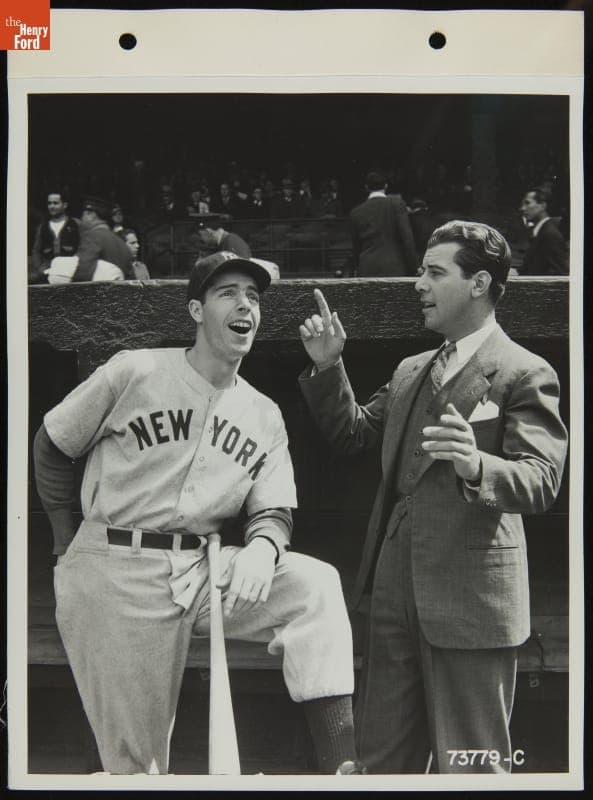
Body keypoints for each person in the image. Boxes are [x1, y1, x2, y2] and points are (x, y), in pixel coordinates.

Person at [33, 250, 363, 776]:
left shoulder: (263, 412)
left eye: (254, 296)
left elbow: (274, 507)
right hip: (113, 568)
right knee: (137, 770)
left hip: (202, 573)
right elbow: (52, 444)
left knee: (315, 585)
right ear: (195, 310)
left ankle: (342, 767)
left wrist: (262, 547)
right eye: (228, 293)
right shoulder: (136, 369)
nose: (245, 305)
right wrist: (64, 544)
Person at [298, 220, 568, 774]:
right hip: (393, 592)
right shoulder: (411, 370)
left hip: (471, 599)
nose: (418, 283)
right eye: (422, 269)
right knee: (381, 762)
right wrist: (328, 365)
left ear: (478, 283)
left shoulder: (524, 371)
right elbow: (353, 434)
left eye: (434, 272)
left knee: (472, 765)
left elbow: (542, 481)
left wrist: (476, 465)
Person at [349, 170, 417, 276]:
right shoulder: (397, 205)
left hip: (367, 268)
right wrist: (414, 266)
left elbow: (356, 246)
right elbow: (407, 239)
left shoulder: (356, 212)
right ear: (386, 186)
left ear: (366, 187)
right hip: (394, 267)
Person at [73, 196, 134, 281]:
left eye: (83, 216)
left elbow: (84, 271)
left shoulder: (92, 237)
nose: (82, 220)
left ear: (91, 215)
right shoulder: (121, 243)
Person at [30, 191, 80, 284]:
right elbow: (36, 251)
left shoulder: (76, 224)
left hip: (69, 273)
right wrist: (41, 269)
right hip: (48, 273)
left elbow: (83, 248)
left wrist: (74, 267)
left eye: (55, 203)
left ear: (64, 205)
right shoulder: (43, 227)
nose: (51, 206)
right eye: (49, 203)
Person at [519, 186, 569, 275]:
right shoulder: (541, 231)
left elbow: (561, 274)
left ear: (542, 205)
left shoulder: (549, 234)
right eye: (522, 204)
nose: (522, 208)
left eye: (527, 203)